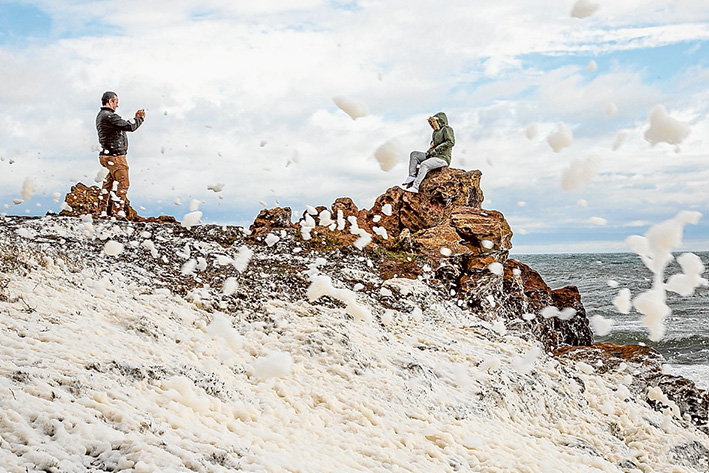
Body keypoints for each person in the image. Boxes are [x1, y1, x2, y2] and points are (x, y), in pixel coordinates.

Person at [95, 91, 145, 218]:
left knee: (109, 182)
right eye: (116, 102)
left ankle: (101, 211)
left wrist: (135, 119)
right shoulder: (109, 116)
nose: (117, 105)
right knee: (123, 183)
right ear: (110, 102)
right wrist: (140, 119)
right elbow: (129, 126)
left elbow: (125, 125)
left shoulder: (102, 115)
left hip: (107, 155)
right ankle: (117, 212)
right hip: (115, 156)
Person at [402, 112, 454, 193]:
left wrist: (435, 149)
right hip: (433, 156)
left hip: (442, 158)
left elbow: (450, 142)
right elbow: (432, 147)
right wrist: (429, 152)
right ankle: (412, 176)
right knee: (414, 154)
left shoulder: (446, 129)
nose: (432, 125)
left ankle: (415, 187)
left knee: (424, 164)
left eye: (434, 122)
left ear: (440, 121)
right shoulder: (435, 133)